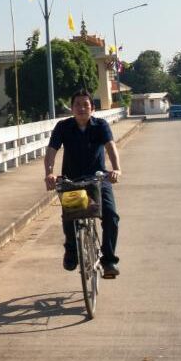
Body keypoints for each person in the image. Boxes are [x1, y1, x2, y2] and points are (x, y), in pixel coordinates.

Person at [43, 89, 122, 277]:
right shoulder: (63, 127)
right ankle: (71, 251)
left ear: (92, 108)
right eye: (77, 104)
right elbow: (51, 151)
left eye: (86, 104)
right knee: (70, 216)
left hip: (98, 179)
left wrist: (116, 169)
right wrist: (49, 174)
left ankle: (109, 260)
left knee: (111, 216)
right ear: (72, 108)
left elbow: (110, 146)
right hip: (72, 181)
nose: (81, 108)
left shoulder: (100, 125)